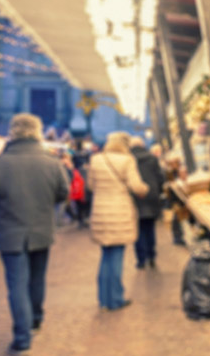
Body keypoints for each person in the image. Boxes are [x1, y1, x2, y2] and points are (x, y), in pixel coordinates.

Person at [0, 113, 70, 354]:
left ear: (12, 132)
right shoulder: (51, 162)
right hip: (41, 228)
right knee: (37, 279)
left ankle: (22, 336)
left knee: (17, 284)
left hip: (11, 230)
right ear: (38, 132)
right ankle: (36, 320)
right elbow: (63, 193)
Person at [87, 132, 148, 311]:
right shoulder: (127, 160)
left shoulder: (96, 159)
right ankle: (115, 298)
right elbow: (136, 186)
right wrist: (145, 188)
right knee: (117, 256)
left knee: (106, 254)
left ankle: (103, 298)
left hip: (100, 211)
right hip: (119, 210)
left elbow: (90, 186)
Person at [129, 137, 164, 269]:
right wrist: (158, 191)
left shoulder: (129, 159)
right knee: (150, 228)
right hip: (151, 195)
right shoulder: (152, 158)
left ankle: (141, 259)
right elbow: (160, 177)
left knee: (138, 229)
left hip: (135, 197)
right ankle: (152, 256)